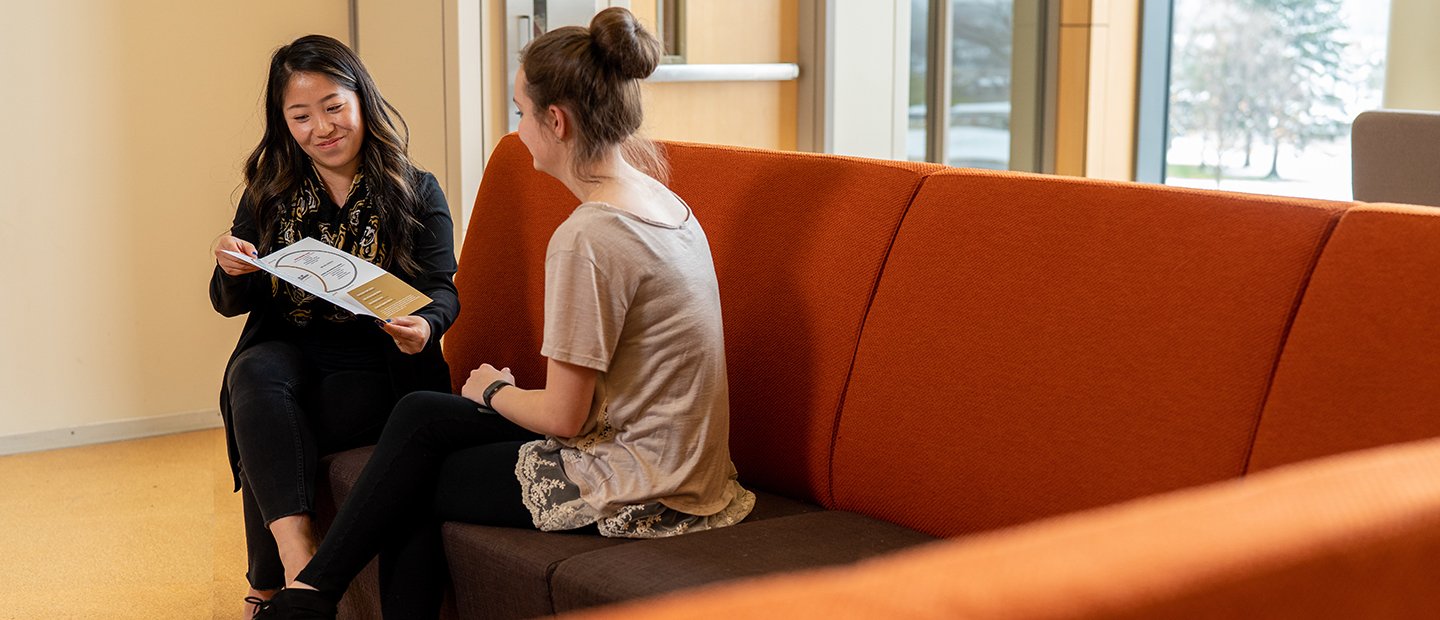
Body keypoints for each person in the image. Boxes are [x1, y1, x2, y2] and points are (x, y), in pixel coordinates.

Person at [252, 8, 754, 619]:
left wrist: (491, 391)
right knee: (418, 415)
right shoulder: (663, 199)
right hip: (686, 458)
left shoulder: (588, 237)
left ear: (557, 121)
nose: (517, 132)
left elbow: (566, 418)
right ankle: (313, 594)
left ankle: (308, 597)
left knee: (408, 480)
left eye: (521, 113)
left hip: (643, 477)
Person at [210, 34, 459, 618]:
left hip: (378, 360)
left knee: (270, 419)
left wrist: (425, 326)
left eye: (333, 107)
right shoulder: (270, 191)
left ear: (362, 101)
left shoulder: (413, 189)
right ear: (283, 122)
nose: (321, 127)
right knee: (252, 372)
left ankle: (268, 586)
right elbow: (230, 303)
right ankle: (301, 568)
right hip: (294, 347)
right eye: (301, 116)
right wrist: (232, 267)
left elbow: (443, 288)